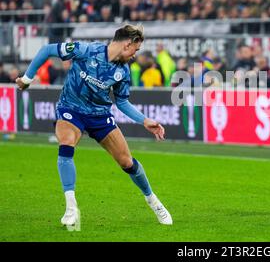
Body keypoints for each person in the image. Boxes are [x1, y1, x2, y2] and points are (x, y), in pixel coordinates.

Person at [15, 24, 173, 230]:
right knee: (66, 143)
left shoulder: (122, 71)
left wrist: (145, 121)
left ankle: (154, 202)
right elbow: (47, 50)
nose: (135, 54)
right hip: (71, 108)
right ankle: (71, 208)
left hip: (100, 116)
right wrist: (27, 79)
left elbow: (122, 102)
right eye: (136, 48)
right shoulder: (86, 50)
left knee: (127, 162)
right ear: (128, 43)